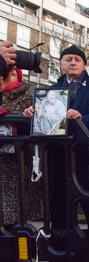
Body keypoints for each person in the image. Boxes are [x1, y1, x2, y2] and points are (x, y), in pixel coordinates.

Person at [23, 45, 89, 262]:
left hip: (85, 157)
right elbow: (43, 120)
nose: (72, 63)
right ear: (60, 64)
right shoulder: (50, 90)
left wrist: (81, 119)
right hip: (57, 159)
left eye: (77, 59)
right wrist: (33, 113)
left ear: (84, 64)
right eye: (67, 59)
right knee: (58, 207)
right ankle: (59, 257)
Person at [0, 67, 42, 232]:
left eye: (12, 74)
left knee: (15, 209)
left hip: (18, 159)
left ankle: (16, 245)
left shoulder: (28, 96)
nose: (8, 78)